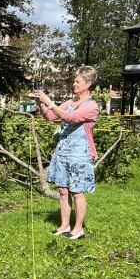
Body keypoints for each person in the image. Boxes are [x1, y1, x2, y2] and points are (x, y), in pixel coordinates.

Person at [31, 66, 100, 240]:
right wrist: (40, 102)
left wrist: (50, 102)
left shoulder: (91, 106)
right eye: (74, 81)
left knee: (77, 192)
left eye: (78, 81)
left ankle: (78, 229)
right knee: (63, 190)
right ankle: (64, 225)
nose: (74, 84)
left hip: (79, 154)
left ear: (88, 83)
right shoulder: (70, 103)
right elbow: (50, 116)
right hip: (63, 152)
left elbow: (70, 118)